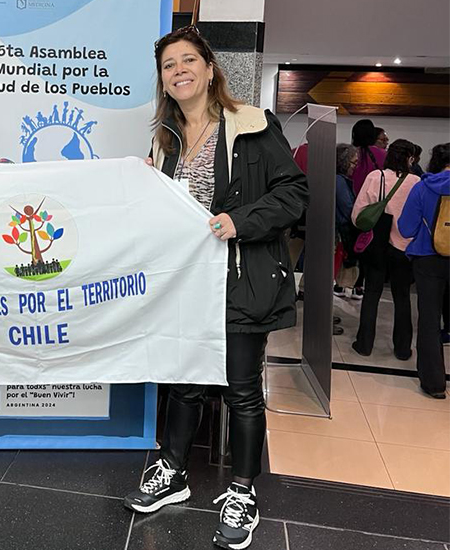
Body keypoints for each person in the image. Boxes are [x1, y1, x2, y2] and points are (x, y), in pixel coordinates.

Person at [123, 27, 308, 550]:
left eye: (187, 61)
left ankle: (243, 490)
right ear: (162, 79)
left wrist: (238, 221)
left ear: (209, 68)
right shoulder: (164, 140)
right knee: (183, 381)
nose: (178, 70)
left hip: (241, 277)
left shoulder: (252, 124)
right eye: (168, 65)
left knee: (242, 390)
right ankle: (174, 472)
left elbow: (294, 194)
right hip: (185, 284)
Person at [351, 139, 420, 360]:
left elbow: (358, 215)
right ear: (410, 158)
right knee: (402, 297)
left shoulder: (376, 177)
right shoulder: (416, 182)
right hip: (404, 246)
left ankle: (364, 344)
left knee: (371, 294)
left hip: (377, 245)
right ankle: (402, 349)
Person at [398, 143, 450, 398]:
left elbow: (406, 228)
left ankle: (434, 384)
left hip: (427, 259)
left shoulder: (422, 187)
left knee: (429, 320)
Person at [350, 119, 387, 300]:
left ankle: (346, 282)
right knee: (372, 247)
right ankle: (362, 284)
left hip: (355, 207)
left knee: (352, 246)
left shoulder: (352, 155)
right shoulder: (382, 155)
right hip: (377, 209)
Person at [333, 144, 359, 299]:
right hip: (340, 230)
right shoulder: (340, 181)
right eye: (353, 162)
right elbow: (348, 208)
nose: (355, 167)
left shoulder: (335, 179)